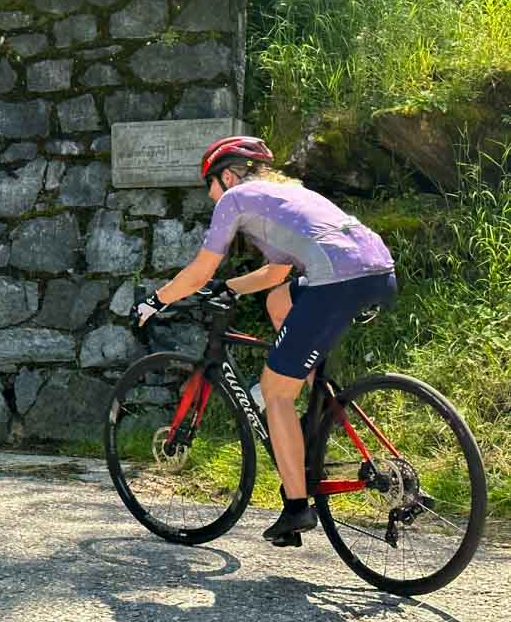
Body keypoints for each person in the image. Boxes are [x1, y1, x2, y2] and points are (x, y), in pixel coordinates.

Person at [132, 135, 397, 542]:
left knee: (275, 391)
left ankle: (295, 509)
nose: (210, 195)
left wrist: (156, 300)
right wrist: (230, 287)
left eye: (211, 184)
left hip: (336, 281)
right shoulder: (289, 193)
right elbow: (276, 274)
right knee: (279, 301)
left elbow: (199, 271)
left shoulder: (234, 199)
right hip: (378, 271)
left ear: (229, 175)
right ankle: (319, 405)